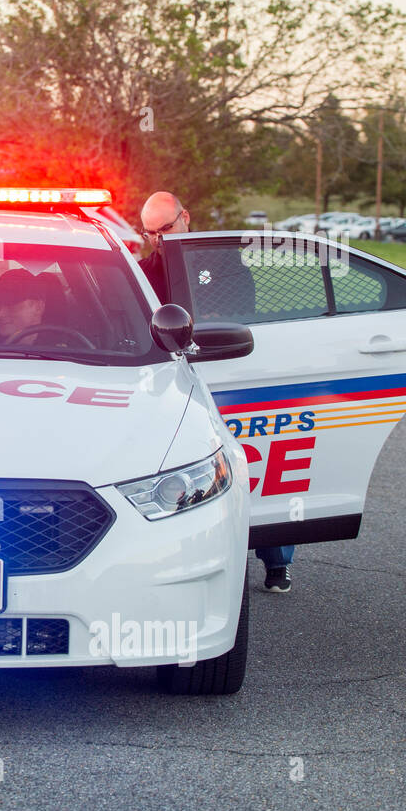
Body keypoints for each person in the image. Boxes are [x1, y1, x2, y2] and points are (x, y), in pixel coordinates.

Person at [139, 190, 295, 593]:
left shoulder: (226, 265)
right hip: (171, 380)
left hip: (227, 368)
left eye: (165, 228)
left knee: (255, 461)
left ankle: (277, 562)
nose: (158, 239)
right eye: (149, 232)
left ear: (185, 216)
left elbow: (240, 313)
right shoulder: (141, 271)